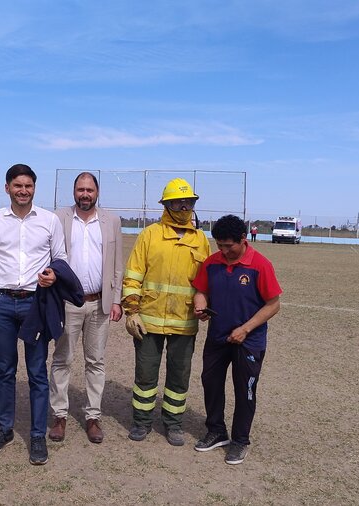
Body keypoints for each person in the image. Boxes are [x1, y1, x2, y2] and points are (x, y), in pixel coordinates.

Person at [0, 164, 67, 465]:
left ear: (34, 188)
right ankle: (4, 428)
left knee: (37, 371)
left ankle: (37, 435)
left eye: (28, 186)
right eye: (17, 185)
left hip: (36, 304)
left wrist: (53, 274)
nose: (23, 190)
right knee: (5, 369)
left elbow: (60, 258)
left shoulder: (49, 220)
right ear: (7, 187)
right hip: (1, 303)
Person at [122, 177, 211, 446]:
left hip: (184, 323)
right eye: (178, 202)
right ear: (167, 205)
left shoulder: (201, 240)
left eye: (189, 201)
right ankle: (142, 422)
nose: (184, 206)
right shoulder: (150, 235)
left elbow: (206, 282)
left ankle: (173, 424)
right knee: (146, 375)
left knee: (179, 376)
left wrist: (205, 302)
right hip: (148, 322)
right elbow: (133, 275)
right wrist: (131, 311)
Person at [192, 215, 281, 465]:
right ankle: (216, 431)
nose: (224, 250)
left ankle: (240, 440)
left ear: (244, 239)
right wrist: (201, 306)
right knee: (211, 383)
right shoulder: (211, 263)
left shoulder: (260, 265)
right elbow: (201, 290)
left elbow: (273, 304)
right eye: (219, 245)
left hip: (248, 341)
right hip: (217, 337)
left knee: (245, 391)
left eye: (229, 245)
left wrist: (246, 328)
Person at [48, 172, 123, 444]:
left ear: (97, 192)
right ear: (73, 191)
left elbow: (117, 264)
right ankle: (59, 416)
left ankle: (93, 417)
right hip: (67, 303)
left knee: (96, 362)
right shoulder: (58, 218)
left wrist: (116, 300)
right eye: (80, 189)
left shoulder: (111, 221)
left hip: (100, 303)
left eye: (89, 189)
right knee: (62, 360)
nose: (85, 194)